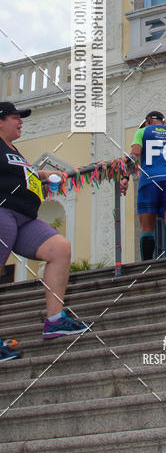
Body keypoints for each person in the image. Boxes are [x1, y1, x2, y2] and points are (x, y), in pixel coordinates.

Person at [0, 101, 89, 356]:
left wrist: (42, 174)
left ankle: (54, 321)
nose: (20, 122)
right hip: (2, 211)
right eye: (15, 118)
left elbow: (20, 174)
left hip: (25, 217)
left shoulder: (13, 150)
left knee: (60, 248)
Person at [120, 111, 166, 260]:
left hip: (149, 181)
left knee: (146, 227)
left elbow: (135, 154)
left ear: (149, 120)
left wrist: (125, 177)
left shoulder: (142, 132)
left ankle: (147, 265)